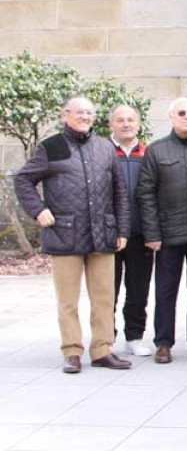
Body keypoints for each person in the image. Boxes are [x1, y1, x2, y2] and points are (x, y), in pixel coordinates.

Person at [14, 96, 132, 373]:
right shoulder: (51, 147)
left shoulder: (104, 147)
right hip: (65, 233)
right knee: (67, 300)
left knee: (104, 297)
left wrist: (122, 229)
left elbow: (119, 193)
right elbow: (23, 180)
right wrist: (38, 210)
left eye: (89, 113)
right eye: (79, 112)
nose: (85, 117)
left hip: (102, 234)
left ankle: (103, 350)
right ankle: (72, 351)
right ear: (65, 114)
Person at [137, 97, 187, 364]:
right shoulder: (156, 150)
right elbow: (146, 194)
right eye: (182, 112)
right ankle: (164, 342)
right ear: (171, 116)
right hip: (168, 234)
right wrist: (152, 233)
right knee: (166, 291)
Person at [109, 105, 153, 357]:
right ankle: (106, 338)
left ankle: (134, 336)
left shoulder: (148, 153)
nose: (126, 124)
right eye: (120, 120)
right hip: (110, 235)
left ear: (138, 124)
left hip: (141, 234)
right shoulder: (102, 152)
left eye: (131, 120)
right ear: (111, 125)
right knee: (108, 291)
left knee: (138, 289)